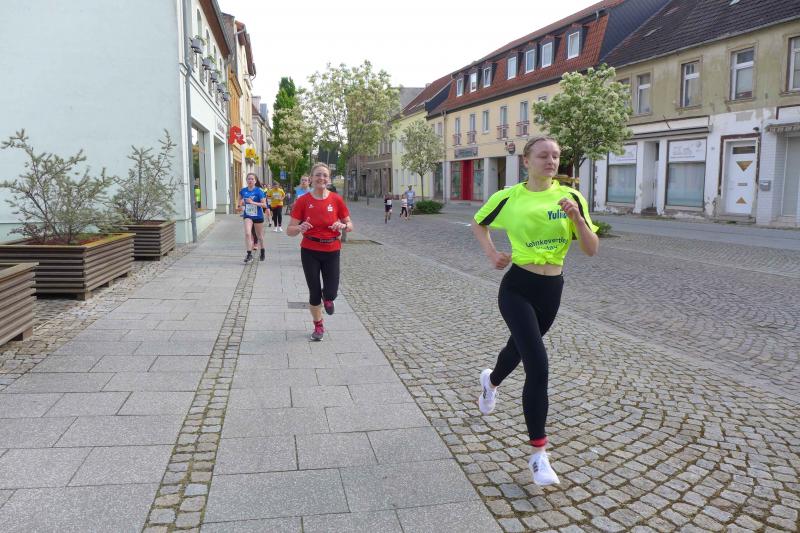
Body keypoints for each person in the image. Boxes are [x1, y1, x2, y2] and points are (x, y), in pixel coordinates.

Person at [471, 136, 599, 486]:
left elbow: (591, 249)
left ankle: (490, 382)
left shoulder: (571, 197)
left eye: (556, 155)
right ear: (526, 161)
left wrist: (578, 220)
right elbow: (478, 223)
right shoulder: (509, 197)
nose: (551, 161)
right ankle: (539, 455)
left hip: (551, 290)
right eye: (543, 155)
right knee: (538, 365)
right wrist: (492, 254)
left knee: (517, 348)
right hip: (517, 288)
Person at [287, 163, 353, 341]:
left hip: (332, 250)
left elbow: (350, 225)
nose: (321, 178)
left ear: (329, 179)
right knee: (314, 292)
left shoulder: (336, 200)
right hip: (310, 251)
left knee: (331, 292)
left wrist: (343, 225)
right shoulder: (303, 201)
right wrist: (299, 227)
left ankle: (328, 298)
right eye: (317, 175)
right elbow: (290, 230)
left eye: (325, 175)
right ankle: (318, 325)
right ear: (311, 178)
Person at [239, 173, 269, 263]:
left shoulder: (259, 191)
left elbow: (264, 205)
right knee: (248, 234)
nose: (250, 180)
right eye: (249, 179)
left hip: (258, 216)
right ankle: (249, 254)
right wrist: (240, 204)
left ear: (255, 181)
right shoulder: (243, 191)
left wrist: (252, 202)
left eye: (252, 179)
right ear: (246, 180)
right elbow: (240, 201)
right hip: (247, 215)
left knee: (259, 236)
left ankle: (262, 250)